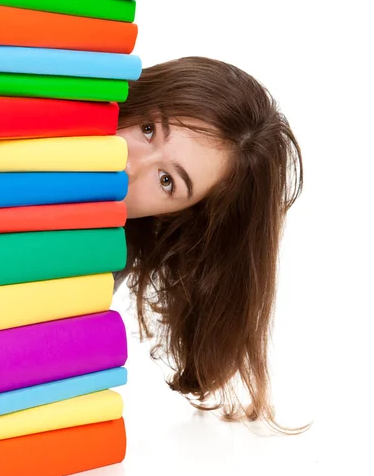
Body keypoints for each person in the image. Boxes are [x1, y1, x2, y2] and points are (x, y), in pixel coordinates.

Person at [114, 56, 311, 435]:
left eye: (167, 181)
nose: (129, 165)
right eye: (149, 129)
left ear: (175, 216)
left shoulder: (98, 260)